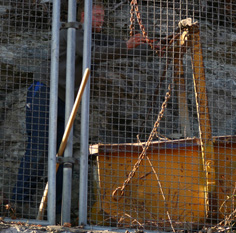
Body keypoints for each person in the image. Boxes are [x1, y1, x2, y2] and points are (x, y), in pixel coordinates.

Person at [11, 4, 151, 218]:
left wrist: (157, 46)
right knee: (39, 147)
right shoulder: (71, 31)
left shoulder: (94, 36)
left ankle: (55, 211)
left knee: (61, 154)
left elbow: (124, 47)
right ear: (84, 15)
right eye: (96, 15)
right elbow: (91, 54)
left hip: (66, 101)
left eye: (102, 17)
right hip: (45, 94)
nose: (100, 20)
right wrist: (127, 45)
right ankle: (19, 202)